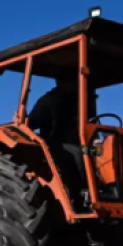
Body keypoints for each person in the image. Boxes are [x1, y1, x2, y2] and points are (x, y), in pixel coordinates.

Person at [27, 78, 86, 206]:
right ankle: (79, 196)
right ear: (61, 82)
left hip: (80, 142)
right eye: (73, 80)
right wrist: (24, 121)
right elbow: (31, 123)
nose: (76, 83)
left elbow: (89, 123)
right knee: (76, 154)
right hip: (55, 143)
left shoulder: (81, 99)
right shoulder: (48, 101)